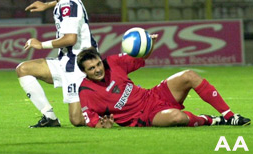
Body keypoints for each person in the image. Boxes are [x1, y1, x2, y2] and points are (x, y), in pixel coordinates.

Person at [76, 40, 251, 128]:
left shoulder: (112, 62)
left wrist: (147, 43)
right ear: (84, 72)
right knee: (177, 117)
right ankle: (211, 120)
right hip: (143, 117)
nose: (98, 69)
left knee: (189, 75)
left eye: (98, 64)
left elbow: (141, 57)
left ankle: (229, 116)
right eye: (91, 68)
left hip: (152, 95)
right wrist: (102, 126)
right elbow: (91, 119)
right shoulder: (86, 92)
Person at [16, 0, 97, 128]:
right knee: (23, 69)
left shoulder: (68, 4)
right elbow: (63, 4)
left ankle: (113, 112)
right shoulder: (66, 0)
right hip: (65, 61)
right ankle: (50, 118)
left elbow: (70, 39)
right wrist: (47, 5)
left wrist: (41, 45)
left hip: (79, 65)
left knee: (76, 120)